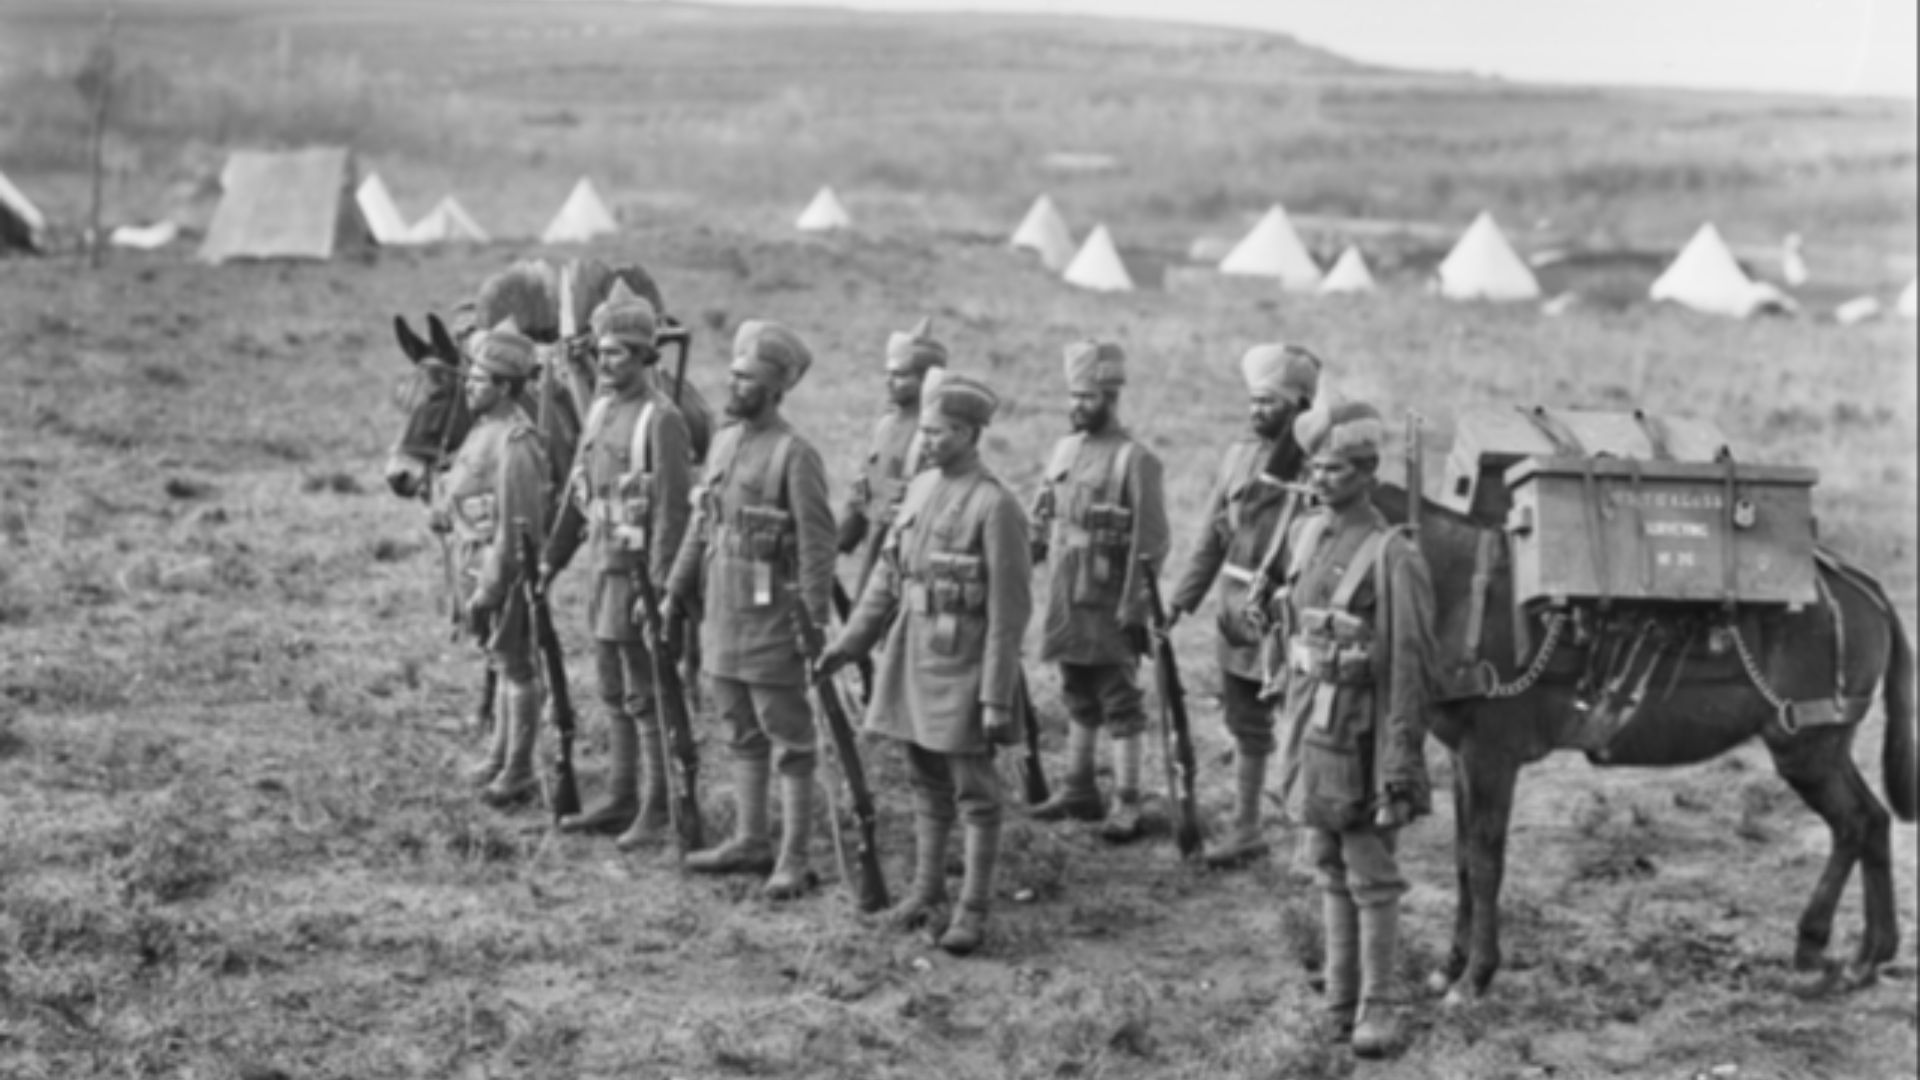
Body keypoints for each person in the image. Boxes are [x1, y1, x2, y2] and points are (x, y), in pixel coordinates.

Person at [822, 375, 1032, 956]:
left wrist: (995, 695)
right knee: (923, 780)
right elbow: (888, 578)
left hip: (965, 665)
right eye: (926, 431)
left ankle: (973, 909)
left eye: (940, 432)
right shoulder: (917, 489)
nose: (928, 440)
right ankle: (926, 890)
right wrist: (852, 643)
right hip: (912, 654)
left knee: (975, 792)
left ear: (968, 434)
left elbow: (1009, 613)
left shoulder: (996, 505)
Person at [1266, 400, 1435, 1058]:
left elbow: (1409, 671)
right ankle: (1339, 1001)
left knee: (1370, 869)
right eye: (1314, 467)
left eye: (1334, 469)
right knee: (1327, 863)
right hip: (1311, 727)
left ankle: (1379, 1004)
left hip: (1363, 738)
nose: (1318, 478)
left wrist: (1399, 762)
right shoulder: (1307, 536)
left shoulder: (1395, 555)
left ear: (1367, 474)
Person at [665, 320, 837, 899]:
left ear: (773, 389)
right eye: (733, 375)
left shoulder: (796, 455)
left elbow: (818, 549)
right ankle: (750, 839)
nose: (732, 386)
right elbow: (702, 524)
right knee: (739, 729)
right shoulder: (722, 441)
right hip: (722, 615)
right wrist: (674, 590)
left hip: (772, 623)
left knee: (790, 738)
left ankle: (794, 857)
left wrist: (814, 623)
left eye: (745, 379)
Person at [540, 281, 695, 849]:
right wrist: (551, 561)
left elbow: (672, 514)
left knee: (644, 693)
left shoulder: (662, 420)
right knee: (610, 687)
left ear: (644, 356)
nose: (603, 363)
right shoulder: (601, 409)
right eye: (600, 352)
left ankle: (657, 807)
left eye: (616, 354)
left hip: (638, 582)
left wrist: (658, 592)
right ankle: (621, 794)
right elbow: (579, 494)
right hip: (601, 573)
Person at [1166, 344, 1321, 867]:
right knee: (1246, 723)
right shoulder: (1237, 458)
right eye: (1254, 401)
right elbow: (1211, 538)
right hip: (1236, 616)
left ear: (1300, 406)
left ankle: (1311, 840)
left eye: (1269, 402)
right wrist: (1179, 603)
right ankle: (1247, 828)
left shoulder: (1320, 467)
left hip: (1292, 618)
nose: (1257, 411)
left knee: (1305, 726)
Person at [1027, 340, 1169, 841]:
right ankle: (1078, 789)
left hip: (1109, 600)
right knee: (1076, 692)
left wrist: (1135, 607)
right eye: (1073, 395)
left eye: (1087, 397)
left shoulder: (1136, 459)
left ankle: (1128, 800)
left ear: (1110, 397)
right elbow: (1042, 516)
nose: (1077, 405)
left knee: (1120, 701)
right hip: (1066, 595)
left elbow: (1152, 542)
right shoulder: (1064, 450)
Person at [445, 319, 552, 807]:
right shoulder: (483, 429)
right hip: (475, 562)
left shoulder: (516, 441)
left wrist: (491, 586)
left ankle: (518, 770)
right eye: (469, 378)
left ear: (505, 387)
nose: (469, 387)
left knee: (517, 666)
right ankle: (497, 758)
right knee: (500, 660)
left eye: (479, 380)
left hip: (503, 570)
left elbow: (516, 525)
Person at [838, 317, 948, 598]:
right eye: (889, 373)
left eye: (900, 375)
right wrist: (835, 542)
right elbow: (863, 488)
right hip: (874, 548)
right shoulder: (885, 425)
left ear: (924, 380)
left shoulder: (930, 437)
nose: (889, 381)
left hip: (904, 560)